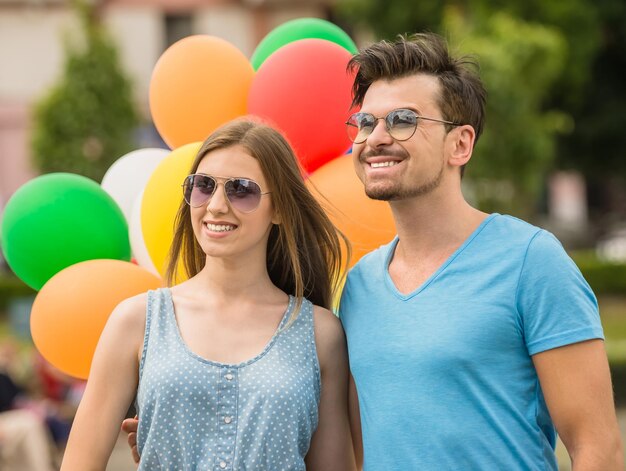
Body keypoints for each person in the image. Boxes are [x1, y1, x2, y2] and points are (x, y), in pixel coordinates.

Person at [338, 33, 623, 470]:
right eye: (365, 122)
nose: (375, 138)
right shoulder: (359, 286)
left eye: (402, 120)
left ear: (461, 144)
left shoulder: (532, 261)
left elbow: (597, 449)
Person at [60, 119, 356, 470]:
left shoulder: (320, 334)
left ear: (279, 209)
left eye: (241, 189)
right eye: (202, 186)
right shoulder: (136, 321)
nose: (215, 205)